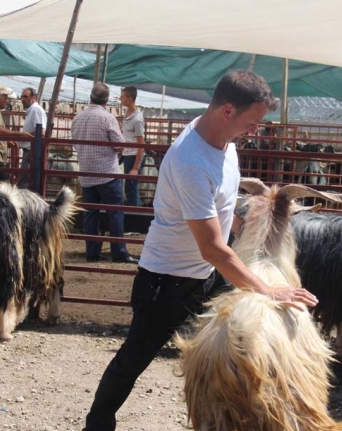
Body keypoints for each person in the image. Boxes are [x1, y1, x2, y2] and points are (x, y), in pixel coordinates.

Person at [82, 71, 318, 431]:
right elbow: (212, 248)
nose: (255, 130)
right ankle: (97, 425)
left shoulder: (224, 140)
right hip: (168, 281)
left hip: (205, 276)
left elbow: (220, 212)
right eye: (252, 122)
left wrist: (248, 232)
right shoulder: (190, 160)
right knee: (134, 358)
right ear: (227, 111)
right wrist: (268, 288)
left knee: (234, 348)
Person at [72, 82, 138, 264]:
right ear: (106, 100)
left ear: (91, 97)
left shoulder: (77, 118)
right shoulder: (107, 118)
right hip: (107, 173)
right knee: (115, 213)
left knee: (90, 214)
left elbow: (75, 145)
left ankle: (92, 253)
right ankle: (119, 252)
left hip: (86, 174)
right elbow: (119, 145)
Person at [118, 86, 145, 206]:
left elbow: (141, 144)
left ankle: (137, 215)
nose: (120, 99)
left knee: (131, 190)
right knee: (130, 189)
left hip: (133, 156)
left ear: (129, 99)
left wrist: (135, 168)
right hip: (127, 154)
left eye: (122, 97)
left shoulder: (137, 119)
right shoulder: (127, 113)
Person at [18, 87, 47, 188]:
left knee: (25, 182)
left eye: (25, 97)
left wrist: (24, 135)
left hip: (32, 150)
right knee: (26, 180)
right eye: (22, 97)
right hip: (29, 150)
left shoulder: (36, 110)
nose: (22, 99)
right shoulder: (31, 110)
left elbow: (41, 132)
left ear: (34, 98)